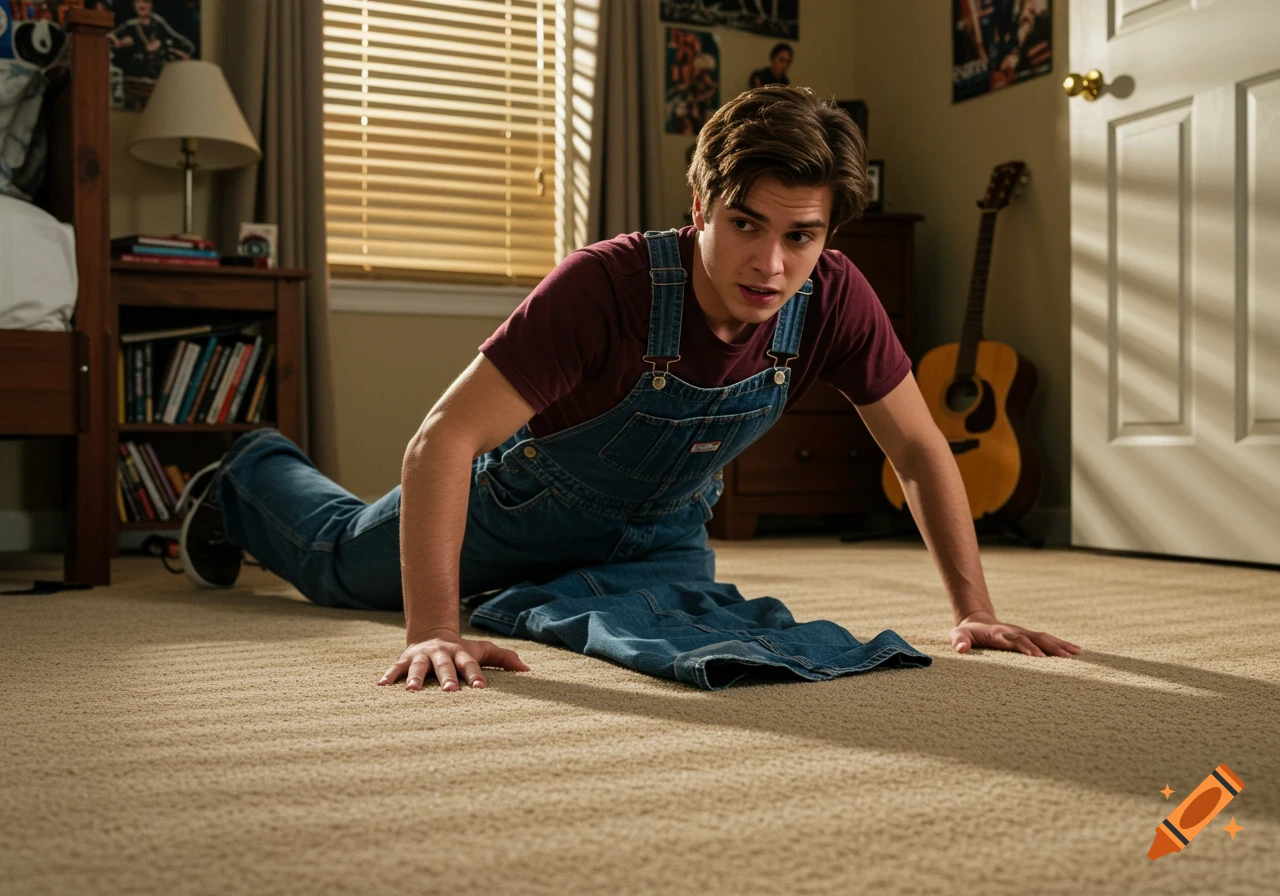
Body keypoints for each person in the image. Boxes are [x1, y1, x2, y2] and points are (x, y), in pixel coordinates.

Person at [175, 86, 1081, 692]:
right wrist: (433, 627)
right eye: (745, 224)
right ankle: (250, 470)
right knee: (337, 565)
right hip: (513, 514)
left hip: (662, 540)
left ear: (829, 234)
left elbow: (921, 449)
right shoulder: (604, 286)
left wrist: (975, 613)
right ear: (701, 208)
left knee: (664, 627)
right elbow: (442, 443)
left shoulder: (836, 296)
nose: (771, 263)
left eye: (801, 236)